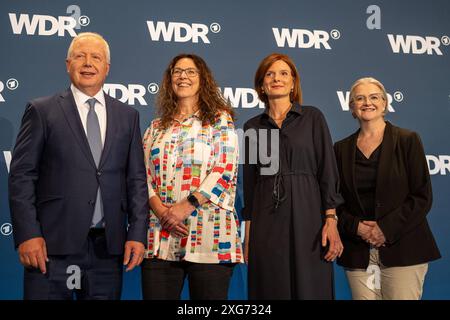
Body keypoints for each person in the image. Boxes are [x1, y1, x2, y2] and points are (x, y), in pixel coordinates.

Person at [8, 32, 149, 300]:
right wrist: (27, 234)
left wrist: (138, 233)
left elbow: (136, 180)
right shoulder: (42, 110)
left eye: (96, 57)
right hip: (50, 247)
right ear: (67, 64)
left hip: (107, 249)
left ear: (107, 68)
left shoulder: (128, 116)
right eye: (80, 56)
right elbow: (22, 176)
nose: (88, 63)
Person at [242, 53, 344, 300]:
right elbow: (251, 184)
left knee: (311, 287)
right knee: (271, 287)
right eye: (270, 74)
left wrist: (331, 219)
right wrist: (248, 235)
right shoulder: (252, 126)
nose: (277, 78)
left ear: (293, 82)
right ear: (261, 85)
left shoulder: (312, 117)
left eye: (284, 73)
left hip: (308, 216)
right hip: (267, 219)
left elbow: (327, 171)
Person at [141, 53, 242, 300]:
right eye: (177, 71)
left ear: (202, 79)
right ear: (169, 80)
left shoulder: (219, 120)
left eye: (190, 71)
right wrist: (162, 211)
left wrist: (185, 207)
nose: (183, 76)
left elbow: (224, 169)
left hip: (209, 237)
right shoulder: (156, 127)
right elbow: (139, 175)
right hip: (160, 235)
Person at [334, 77, 441, 300]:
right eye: (359, 98)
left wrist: (385, 229)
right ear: (351, 107)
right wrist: (358, 228)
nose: (367, 102)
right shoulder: (340, 149)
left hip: (404, 247)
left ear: (384, 104)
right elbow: (335, 201)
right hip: (358, 251)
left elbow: (422, 197)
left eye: (374, 97)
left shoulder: (407, 140)